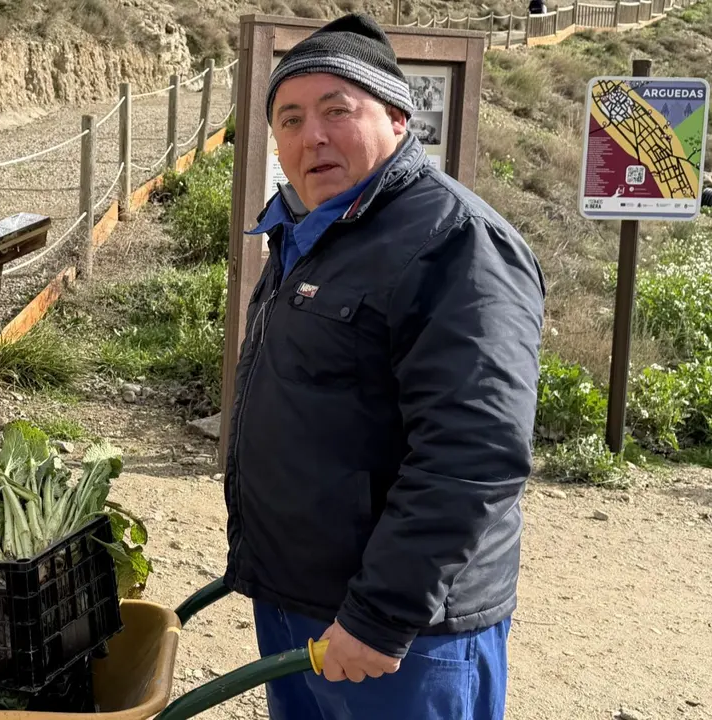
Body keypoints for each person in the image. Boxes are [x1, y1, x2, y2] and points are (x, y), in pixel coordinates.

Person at [222, 13, 545, 720]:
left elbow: (473, 454)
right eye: (290, 118)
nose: (312, 136)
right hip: (303, 606)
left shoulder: (454, 242)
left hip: (398, 633)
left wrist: (380, 614)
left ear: (398, 118)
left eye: (338, 110)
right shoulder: (306, 231)